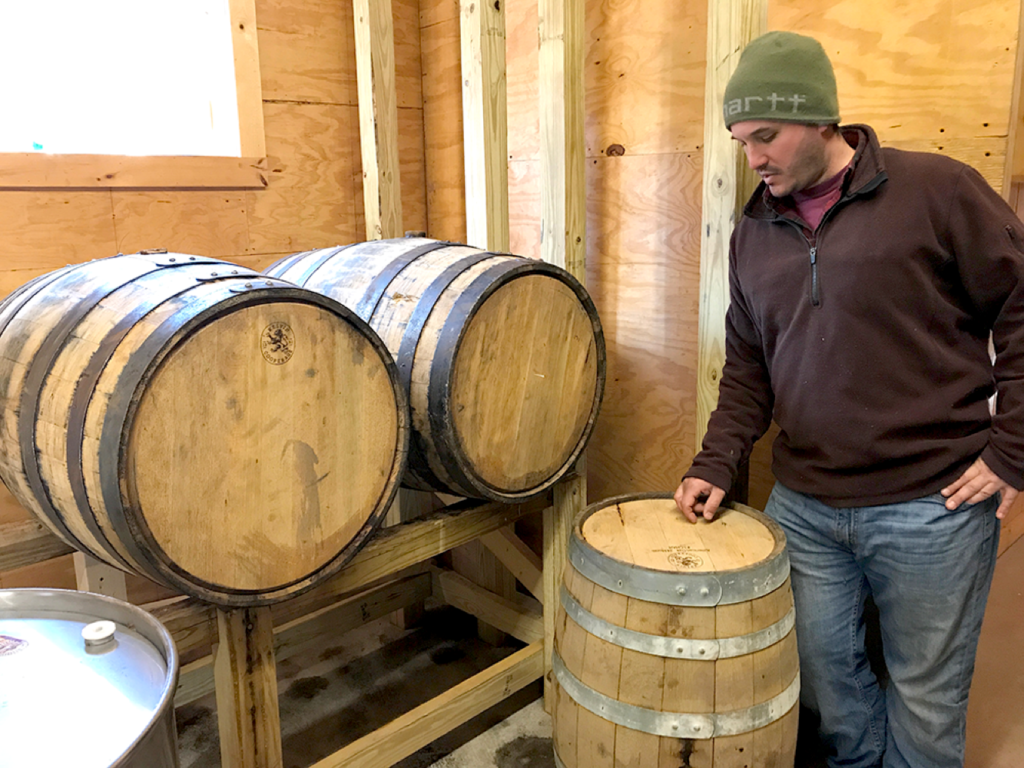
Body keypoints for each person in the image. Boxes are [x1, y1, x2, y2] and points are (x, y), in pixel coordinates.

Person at [674, 30, 1024, 768]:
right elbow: (747, 366)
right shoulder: (753, 233)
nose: (754, 157)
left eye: (765, 136)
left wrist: (1013, 451)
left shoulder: (938, 190)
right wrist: (715, 463)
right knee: (827, 686)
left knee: (927, 700)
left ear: (822, 119)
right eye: (741, 141)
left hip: (934, 505)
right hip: (804, 508)